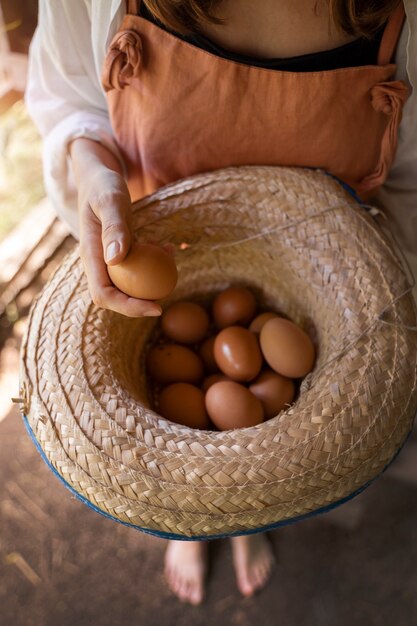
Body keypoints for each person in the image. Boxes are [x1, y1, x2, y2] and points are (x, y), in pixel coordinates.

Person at [25, 0, 417, 606]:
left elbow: (412, 175)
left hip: (313, 262)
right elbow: (69, 99)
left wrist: (358, 256)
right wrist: (94, 166)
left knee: (258, 456)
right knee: (196, 451)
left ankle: (244, 518)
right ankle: (197, 520)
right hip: (168, 234)